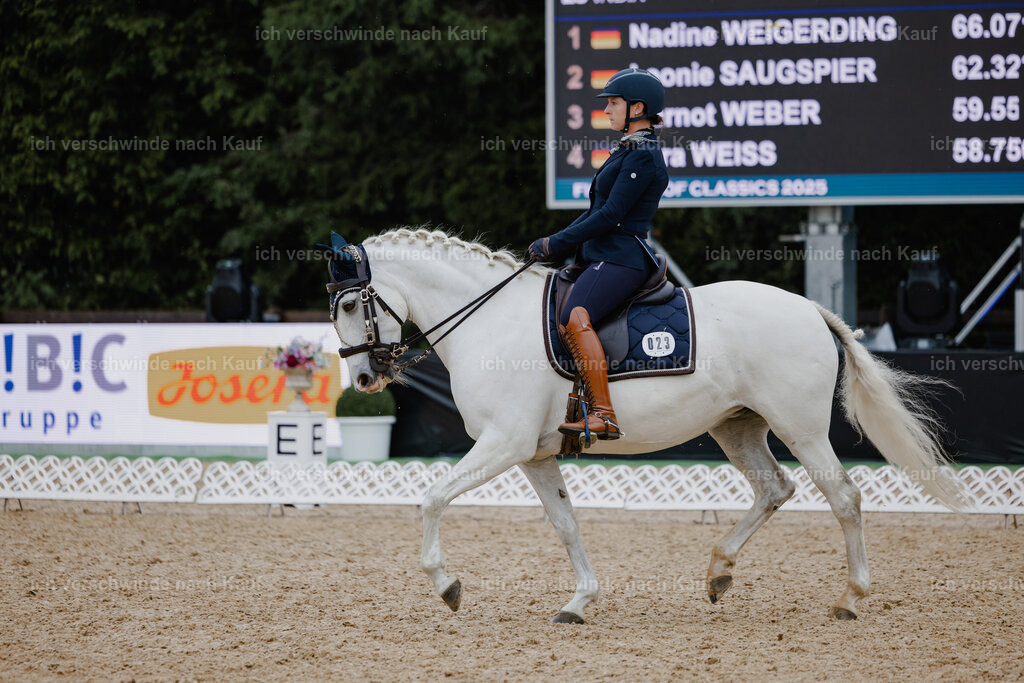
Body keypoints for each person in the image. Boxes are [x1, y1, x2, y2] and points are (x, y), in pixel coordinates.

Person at [529, 67, 669, 441]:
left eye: (613, 103)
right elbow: (595, 212)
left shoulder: (643, 154)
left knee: (576, 316)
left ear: (637, 107)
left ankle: (604, 414)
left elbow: (611, 216)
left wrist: (557, 243)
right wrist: (555, 240)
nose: (607, 110)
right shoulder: (627, 150)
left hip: (623, 256)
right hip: (602, 254)